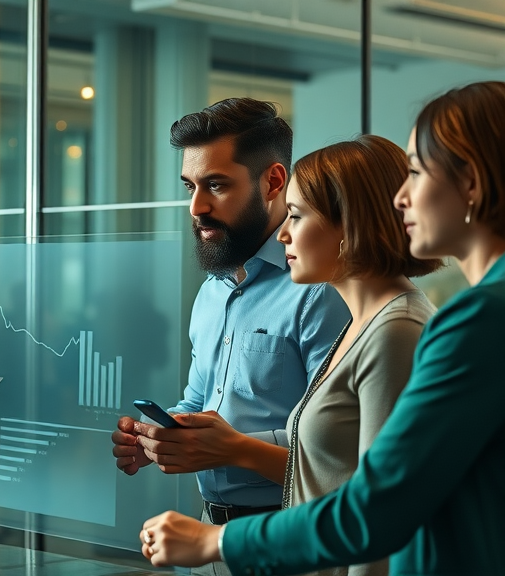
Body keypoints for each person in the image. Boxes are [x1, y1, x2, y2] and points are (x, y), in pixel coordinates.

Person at [140, 81, 505, 575]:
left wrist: (217, 542)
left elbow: (373, 508)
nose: (401, 199)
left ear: (473, 185)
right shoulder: (405, 318)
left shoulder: (465, 320)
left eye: (416, 172)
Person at [110, 97, 350, 576]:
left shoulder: (320, 289)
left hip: (291, 539)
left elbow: (339, 454)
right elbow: (199, 400)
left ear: (273, 181)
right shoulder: (212, 293)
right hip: (207, 538)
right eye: (190, 186)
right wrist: (161, 433)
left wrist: (227, 446)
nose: (197, 207)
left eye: (216, 185)